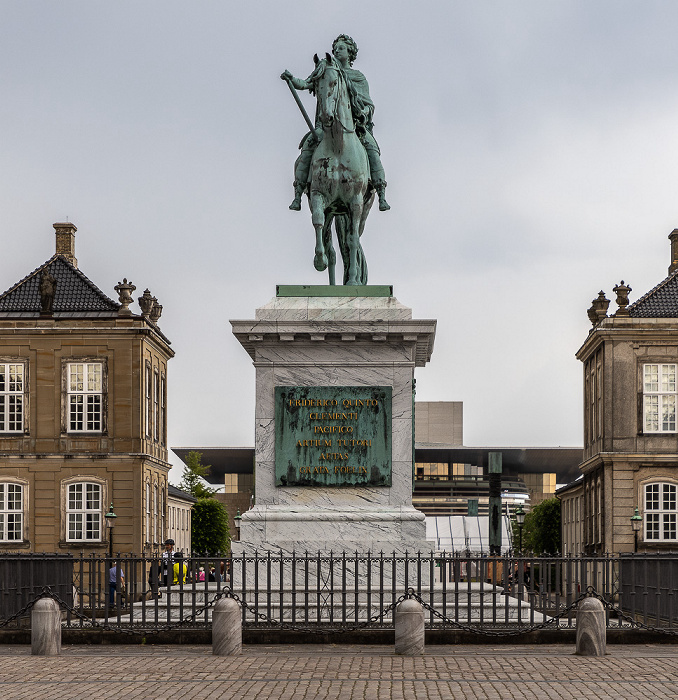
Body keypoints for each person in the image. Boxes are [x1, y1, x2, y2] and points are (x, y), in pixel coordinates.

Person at [281, 34, 390, 213]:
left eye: (341, 48)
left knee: (371, 147)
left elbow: (368, 104)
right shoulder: (325, 69)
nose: (337, 51)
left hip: (354, 126)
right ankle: (298, 192)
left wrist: (363, 113)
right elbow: (305, 84)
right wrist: (292, 80)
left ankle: (381, 191)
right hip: (324, 125)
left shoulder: (357, 77)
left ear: (350, 52)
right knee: (308, 146)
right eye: (335, 48)